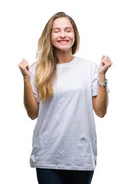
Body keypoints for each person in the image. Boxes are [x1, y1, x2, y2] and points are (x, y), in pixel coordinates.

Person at [18, 12, 112, 184]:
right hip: (48, 155)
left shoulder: (90, 68)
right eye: (57, 31)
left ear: (74, 35)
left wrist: (102, 76)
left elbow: (100, 111)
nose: (63, 35)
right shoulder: (37, 69)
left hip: (80, 156)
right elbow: (32, 113)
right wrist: (25, 78)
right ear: (50, 36)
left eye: (68, 30)